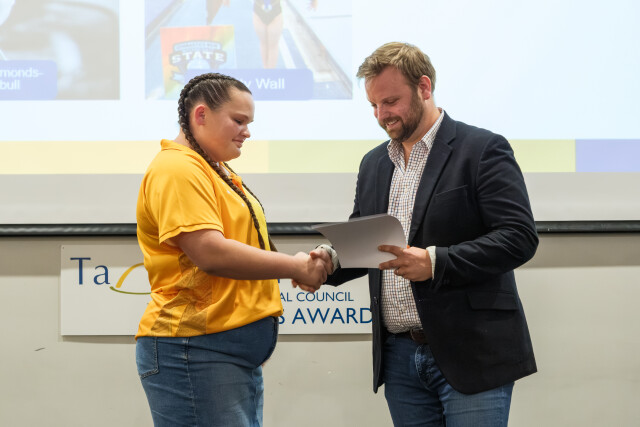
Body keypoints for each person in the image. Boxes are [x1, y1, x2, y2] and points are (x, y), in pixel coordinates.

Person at [298, 42, 539, 426]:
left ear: (424, 87)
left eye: (390, 101)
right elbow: (367, 241)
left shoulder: (481, 149)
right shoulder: (374, 163)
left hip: (471, 350)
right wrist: (328, 260)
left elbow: (518, 236)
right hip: (399, 358)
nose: (381, 115)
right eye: (373, 105)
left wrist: (435, 262)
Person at [135, 72, 329, 427]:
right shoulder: (177, 168)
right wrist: (296, 267)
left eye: (248, 123)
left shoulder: (214, 170)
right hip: (195, 350)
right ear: (201, 114)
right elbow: (210, 252)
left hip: (220, 354)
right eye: (238, 121)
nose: (247, 132)